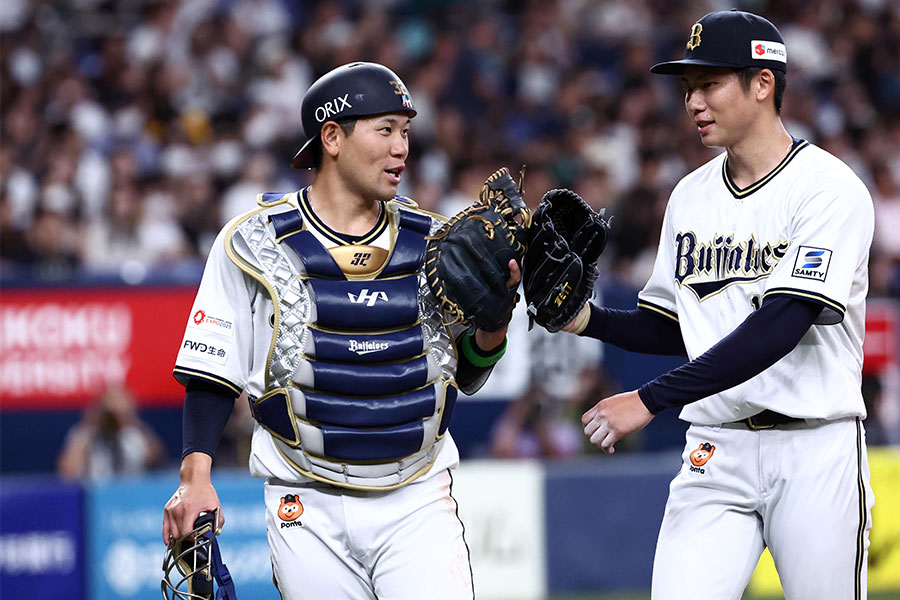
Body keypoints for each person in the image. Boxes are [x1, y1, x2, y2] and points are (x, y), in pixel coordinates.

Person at [162, 62, 518, 599]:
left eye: (406, 132)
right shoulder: (253, 243)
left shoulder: (439, 242)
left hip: (417, 499)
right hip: (304, 503)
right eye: (385, 130)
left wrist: (494, 326)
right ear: (332, 137)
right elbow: (212, 374)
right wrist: (195, 477)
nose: (402, 148)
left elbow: (464, 374)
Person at [571, 11, 874, 599]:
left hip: (814, 446)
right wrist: (584, 319)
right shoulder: (690, 195)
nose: (692, 102)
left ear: (763, 82)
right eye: (687, 89)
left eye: (709, 84)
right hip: (716, 447)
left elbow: (780, 326)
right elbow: (671, 325)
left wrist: (650, 399)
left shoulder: (828, 189)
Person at [57, 385, 165, 480]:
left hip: (133, 494)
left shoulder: (136, 433)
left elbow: (156, 461)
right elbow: (68, 471)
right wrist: (94, 422)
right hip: (97, 494)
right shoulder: (86, 433)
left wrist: (129, 420)